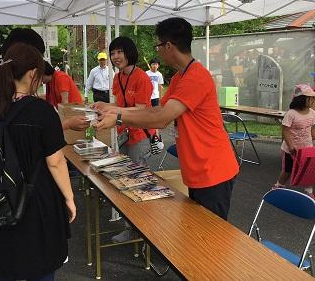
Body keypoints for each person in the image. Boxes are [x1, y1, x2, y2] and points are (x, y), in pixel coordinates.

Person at [95, 18, 239, 221]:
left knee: (210, 239)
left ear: (168, 46)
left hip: (213, 170)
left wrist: (117, 117)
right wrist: (116, 113)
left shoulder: (196, 77)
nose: (158, 52)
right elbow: (155, 111)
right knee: (197, 232)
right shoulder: (180, 78)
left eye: (158, 46)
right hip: (199, 169)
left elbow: (161, 118)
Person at [0, 43, 76, 280]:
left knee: (1, 266)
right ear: (32, 74)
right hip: (37, 202)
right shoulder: (42, 112)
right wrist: (69, 198)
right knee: (41, 267)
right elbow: (56, 162)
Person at [93, 36, 156, 243]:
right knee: (124, 181)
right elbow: (118, 103)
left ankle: (142, 229)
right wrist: (103, 107)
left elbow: (140, 111)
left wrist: (112, 110)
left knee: (137, 183)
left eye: (120, 52)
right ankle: (133, 227)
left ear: (129, 53)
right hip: (125, 134)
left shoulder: (141, 78)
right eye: (113, 53)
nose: (115, 56)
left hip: (140, 136)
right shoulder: (118, 77)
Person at [272, 84, 315, 204]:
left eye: (313, 98)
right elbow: (285, 130)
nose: (313, 100)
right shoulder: (291, 114)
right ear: (301, 99)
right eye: (310, 98)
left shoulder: (311, 112)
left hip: (307, 149)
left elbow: (313, 129)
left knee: (308, 170)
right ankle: (278, 186)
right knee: (287, 170)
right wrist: (291, 146)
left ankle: (309, 193)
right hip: (290, 150)